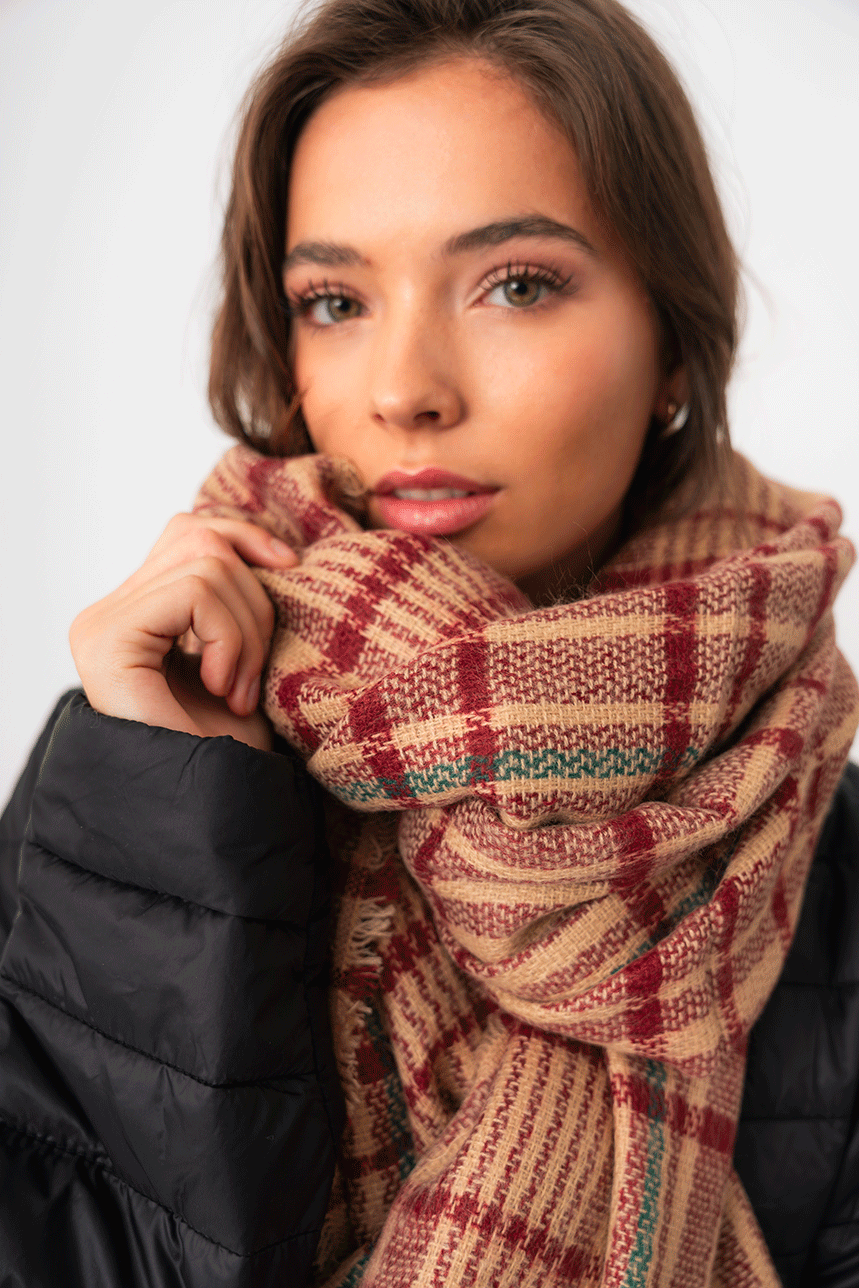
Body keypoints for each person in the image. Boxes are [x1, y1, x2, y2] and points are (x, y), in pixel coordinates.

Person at [1, 0, 857, 1285]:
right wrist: (175, 804)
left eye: (516, 284)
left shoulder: (809, 839)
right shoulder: (138, 761)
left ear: (673, 344)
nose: (404, 387)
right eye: (334, 299)